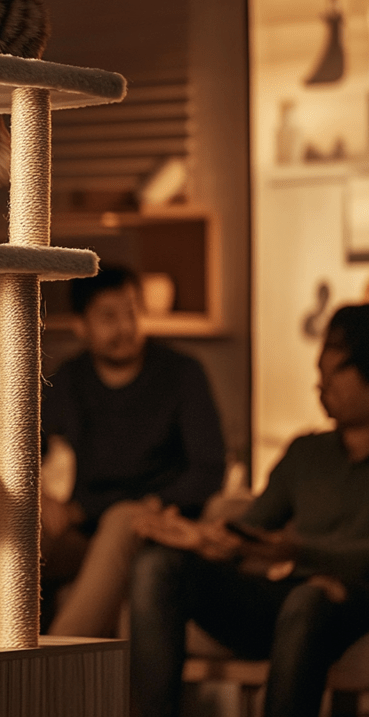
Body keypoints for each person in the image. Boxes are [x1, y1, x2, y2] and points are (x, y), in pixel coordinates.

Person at [130, 303, 369, 717]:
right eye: (319, 373)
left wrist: (300, 553)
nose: (321, 383)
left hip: (352, 600)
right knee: (158, 565)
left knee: (309, 598)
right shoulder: (307, 452)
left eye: (336, 371)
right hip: (286, 596)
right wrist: (206, 537)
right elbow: (254, 528)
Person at [40, 264, 226, 636]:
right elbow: (27, 456)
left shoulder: (182, 373)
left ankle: (49, 662)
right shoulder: (67, 379)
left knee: (124, 516)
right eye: (109, 317)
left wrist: (157, 503)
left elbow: (209, 468)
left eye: (132, 312)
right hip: (81, 529)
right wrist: (43, 498)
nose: (126, 328)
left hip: (150, 524)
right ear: (81, 326)